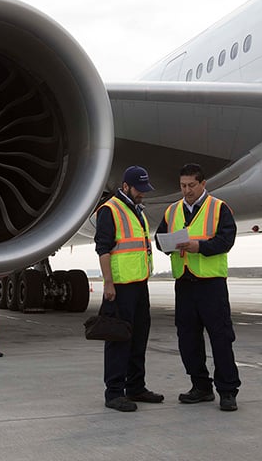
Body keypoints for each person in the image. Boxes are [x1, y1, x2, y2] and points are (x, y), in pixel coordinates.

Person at [155, 163, 241, 411]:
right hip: (184, 283)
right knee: (188, 338)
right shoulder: (172, 211)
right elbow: (160, 240)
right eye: (183, 186)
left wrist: (199, 247)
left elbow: (226, 241)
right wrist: (167, 244)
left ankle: (227, 391)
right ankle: (200, 386)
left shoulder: (218, 208)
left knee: (221, 337)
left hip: (211, 283)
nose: (186, 190)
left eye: (191, 185)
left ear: (203, 184)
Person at [94, 165, 165, 412]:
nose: (142, 193)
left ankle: (135, 386)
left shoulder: (137, 210)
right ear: (125, 186)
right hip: (120, 286)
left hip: (139, 284)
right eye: (139, 189)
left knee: (138, 337)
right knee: (118, 339)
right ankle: (114, 392)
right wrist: (108, 283)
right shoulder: (109, 210)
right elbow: (103, 249)